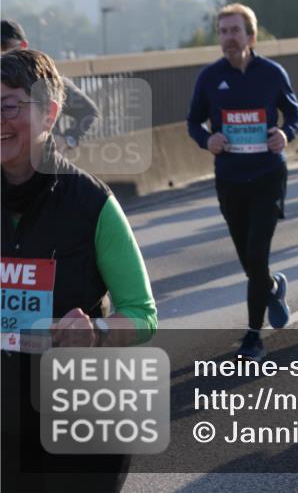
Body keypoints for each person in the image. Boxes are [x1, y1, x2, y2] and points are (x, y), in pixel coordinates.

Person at [1, 49, 157, 492]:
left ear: (50, 115)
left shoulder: (92, 204)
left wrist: (97, 332)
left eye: (9, 106)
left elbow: (143, 314)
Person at [186, 3, 298, 360]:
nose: (229, 38)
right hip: (230, 179)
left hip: (268, 175)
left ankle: (253, 334)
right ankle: (272, 286)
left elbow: (294, 113)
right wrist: (208, 140)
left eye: (235, 30)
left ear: (251, 35)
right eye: (223, 31)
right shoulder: (209, 78)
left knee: (256, 253)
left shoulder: (272, 73)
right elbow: (193, 122)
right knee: (248, 261)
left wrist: (285, 133)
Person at [2, 19, 100, 152]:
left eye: (5, 46)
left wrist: (68, 139)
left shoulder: (47, 82)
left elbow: (90, 112)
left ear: (23, 46)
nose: (2, 53)